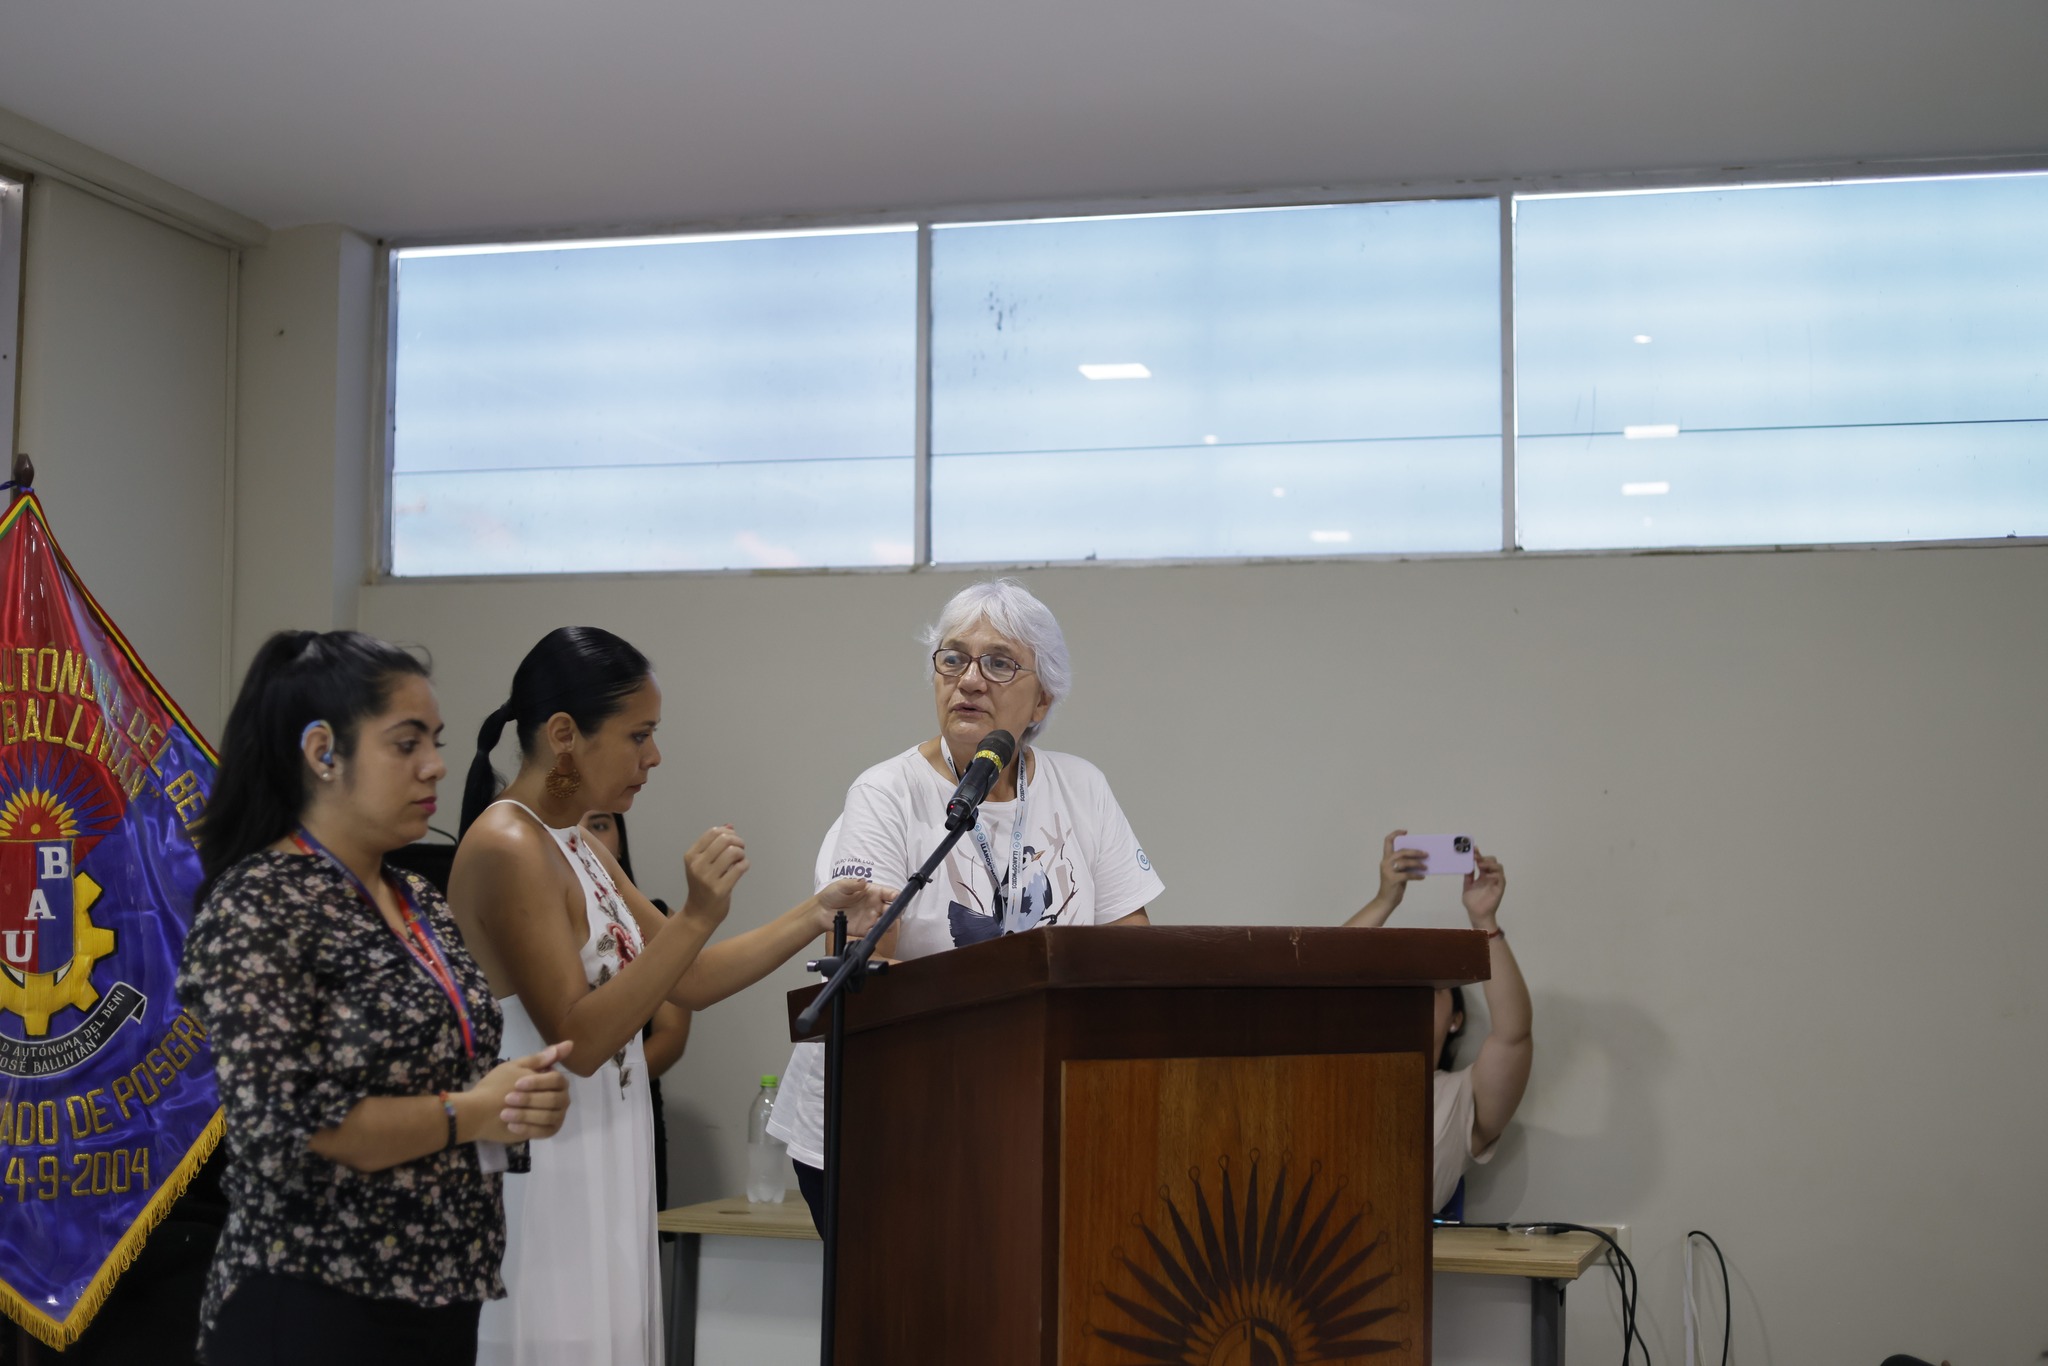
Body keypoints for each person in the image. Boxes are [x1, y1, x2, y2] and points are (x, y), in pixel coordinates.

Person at [448, 626, 887, 1366]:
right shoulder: (508, 844)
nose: (653, 756)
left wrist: (818, 913)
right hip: (547, 1167)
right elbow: (580, 1040)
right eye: (638, 735)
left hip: (606, 1149)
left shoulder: (575, 842)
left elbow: (689, 977)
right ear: (564, 735)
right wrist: (695, 915)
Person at [178, 630, 572, 1366]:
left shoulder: (417, 898)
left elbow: (449, 1078)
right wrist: (472, 1112)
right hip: (316, 1297)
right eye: (406, 743)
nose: (436, 764)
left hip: (442, 1294)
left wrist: (512, 1104)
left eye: (436, 741)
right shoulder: (261, 904)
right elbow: (293, 1126)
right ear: (323, 752)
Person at [771, 578, 1164, 1228]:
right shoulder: (886, 794)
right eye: (953, 659)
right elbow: (865, 976)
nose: (970, 680)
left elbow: (1133, 953)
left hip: (1023, 1112)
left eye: (1000, 663)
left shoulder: (1082, 787)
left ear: (1043, 697)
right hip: (886, 1121)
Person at [1345, 831, 1533, 1213]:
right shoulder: (1343, 1071)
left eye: (1433, 990)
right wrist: (1384, 900)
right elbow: (1312, 987)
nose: (1414, 998)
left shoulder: (1460, 1096)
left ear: (1455, 1020)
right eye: (1401, 990)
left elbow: (1513, 1035)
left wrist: (1484, 921)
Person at [577, 810, 691, 1213]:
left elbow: (672, 1033)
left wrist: (617, 1080)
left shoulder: (654, 917)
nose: (587, 838)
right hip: (566, 1103)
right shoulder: (545, 914)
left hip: (631, 1098)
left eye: (600, 825)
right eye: (578, 827)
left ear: (620, 839)